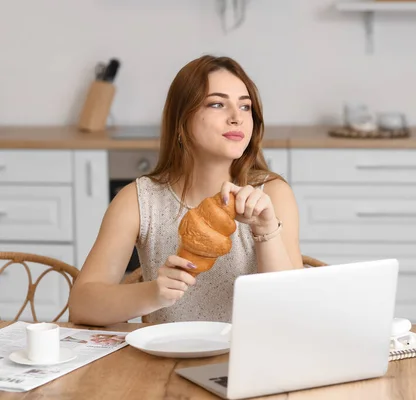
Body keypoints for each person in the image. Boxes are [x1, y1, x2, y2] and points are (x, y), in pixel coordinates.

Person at [69, 55, 303, 327]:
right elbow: (82, 305)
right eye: (217, 104)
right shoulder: (138, 200)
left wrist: (266, 231)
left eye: (245, 106)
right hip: (164, 364)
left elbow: (292, 312)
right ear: (182, 120)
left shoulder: (271, 195)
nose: (236, 118)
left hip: (249, 362)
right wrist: (154, 292)